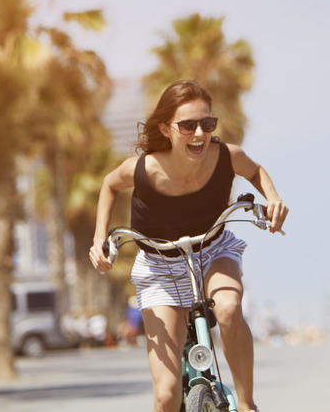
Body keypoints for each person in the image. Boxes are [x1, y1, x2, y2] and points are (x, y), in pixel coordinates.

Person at [88, 79, 287, 412]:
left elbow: (255, 171)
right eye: (188, 125)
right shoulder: (144, 169)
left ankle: (249, 405)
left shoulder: (225, 157)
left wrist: (274, 200)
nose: (199, 134)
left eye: (207, 124)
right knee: (165, 396)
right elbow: (109, 185)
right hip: (159, 267)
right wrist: (99, 238)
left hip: (213, 250)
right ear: (166, 129)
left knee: (227, 308)